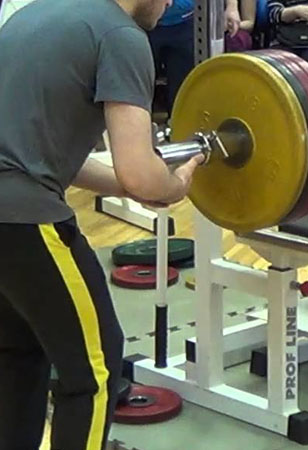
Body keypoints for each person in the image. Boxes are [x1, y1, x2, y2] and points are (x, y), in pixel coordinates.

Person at [0, 0, 204, 449]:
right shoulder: (121, 36)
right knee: (95, 371)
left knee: (19, 354)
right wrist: (176, 183)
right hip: (22, 217)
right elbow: (141, 172)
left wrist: (129, 186)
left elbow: (42, 150)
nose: (171, 3)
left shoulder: (36, 14)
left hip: (11, 212)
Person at [149, 0, 241, 114]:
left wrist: (232, 7)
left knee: (182, 92)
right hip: (144, 20)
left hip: (188, 21)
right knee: (138, 86)